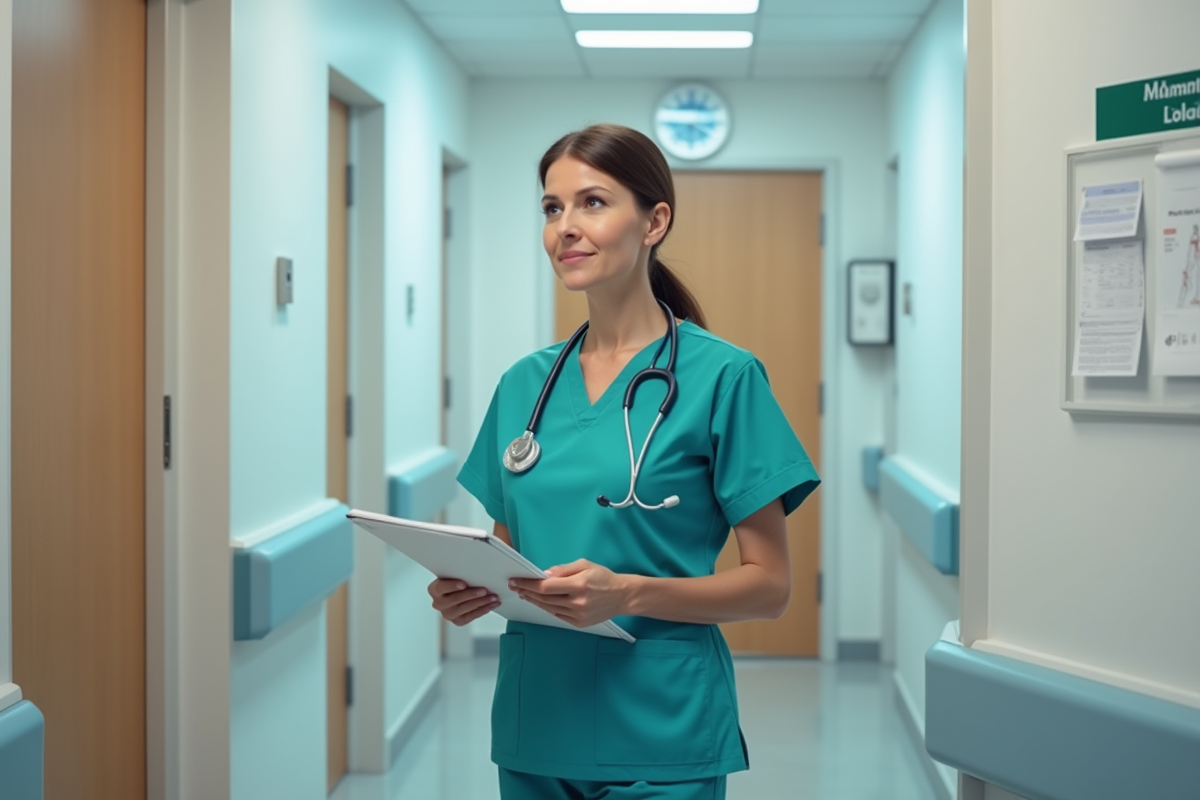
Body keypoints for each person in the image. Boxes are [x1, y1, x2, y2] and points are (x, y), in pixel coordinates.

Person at [428, 123, 820, 800]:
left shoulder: (724, 378)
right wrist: (473, 590)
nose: (566, 228)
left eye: (593, 203)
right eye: (552, 208)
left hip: (662, 730)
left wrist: (629, 592)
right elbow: (511, 554)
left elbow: (769, 586)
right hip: (537, 725)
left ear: (654, 221)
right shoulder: (526, 384)